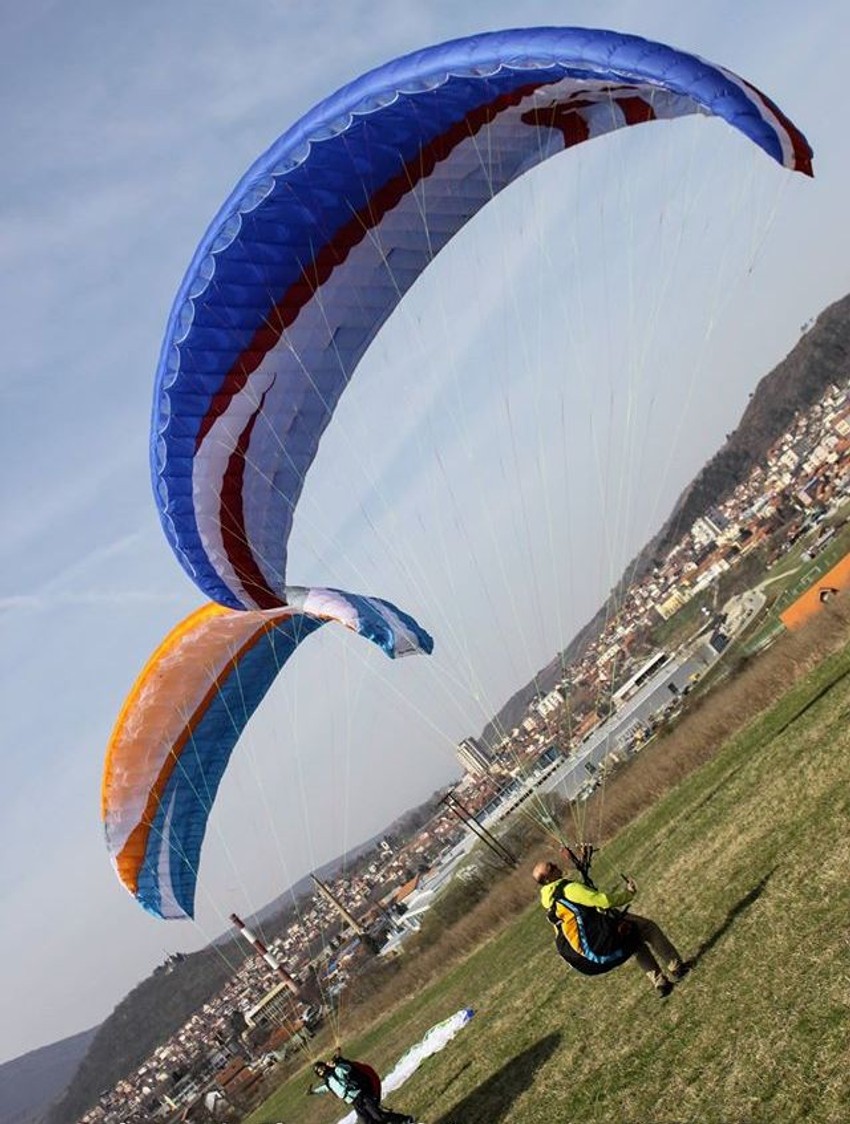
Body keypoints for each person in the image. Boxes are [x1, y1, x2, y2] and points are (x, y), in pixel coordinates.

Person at [532, 857, 688, 997]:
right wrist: (628, 894)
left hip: (593, 945)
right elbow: (603, 901)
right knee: (648, 927)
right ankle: (676, 967)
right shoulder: (568, 889)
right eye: (551, 867)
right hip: (600, 933)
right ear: (547, 879)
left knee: (634, 940)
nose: (555, 865)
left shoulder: (549, 902)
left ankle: (660, 983)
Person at [307, 1055, 415, 1123]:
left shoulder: (337, 1071)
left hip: (361, 1096)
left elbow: (348, 1069)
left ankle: (405, 1119)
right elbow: (324, 1089)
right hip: (355, 1102)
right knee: (367, 1122)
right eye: (319, 1072)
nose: (322, 1071)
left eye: (322, 1068)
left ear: (325, 1066)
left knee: (379, 1116)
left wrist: (338, 1063)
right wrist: (313, 1092)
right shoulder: (329, 1082)